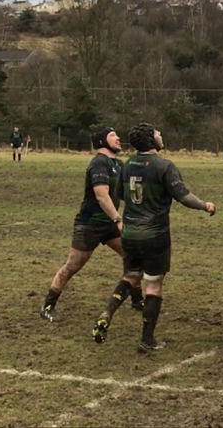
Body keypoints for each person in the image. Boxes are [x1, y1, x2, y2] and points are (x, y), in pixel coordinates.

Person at [93, 123, 216, 352]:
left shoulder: (127, 165)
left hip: (129, 233)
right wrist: (204, 205)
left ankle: (107, 312)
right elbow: (183, 196)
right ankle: (147, 340)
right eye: (158, 133)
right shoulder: (164, 166)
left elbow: (118, 194)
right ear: (151, 139)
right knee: (153, 286)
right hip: (155, 236)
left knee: (130, 276)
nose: (161, 135)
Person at [40, 128, 142, 323]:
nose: (119, 138)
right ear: (102, 141)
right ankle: (47, 306)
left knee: (134, 256)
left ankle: (137, 299)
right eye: (113, 136)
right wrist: (119, 221)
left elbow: (124, 194)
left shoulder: (118, 164)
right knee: (72, 266)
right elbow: (102, 196)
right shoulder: (99, 163)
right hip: (90, 224)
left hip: (110, 225)